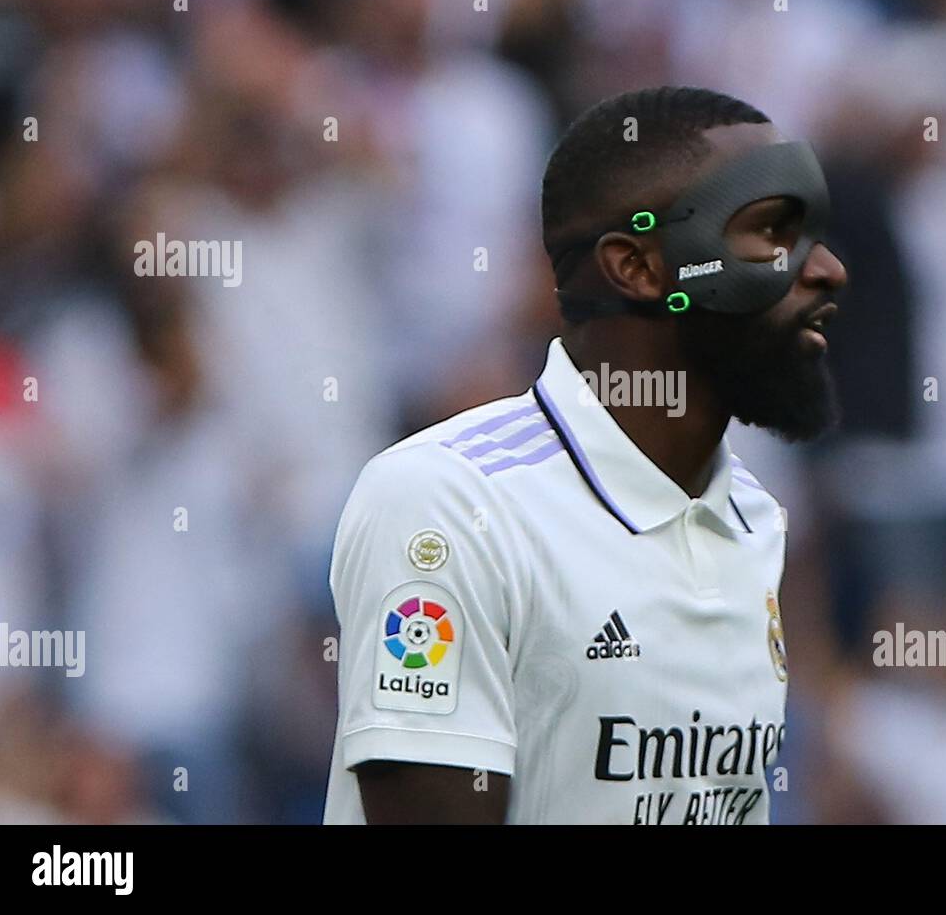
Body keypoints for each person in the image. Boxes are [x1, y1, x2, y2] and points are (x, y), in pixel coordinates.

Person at [322, 85, 848, 824]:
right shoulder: (449, 501)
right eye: (770, 232)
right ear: (638, 268)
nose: (825, 268)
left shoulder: (752, 518)